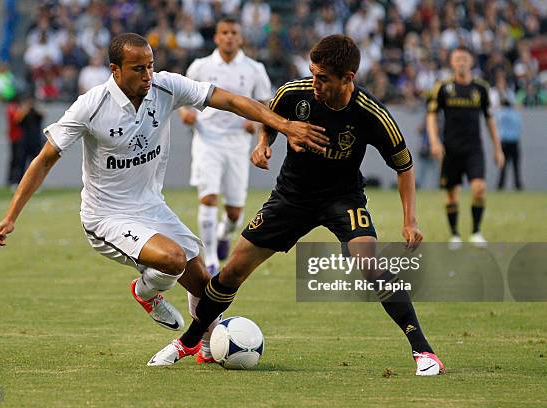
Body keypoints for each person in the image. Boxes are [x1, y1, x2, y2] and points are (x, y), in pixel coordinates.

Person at [0, 33, 327, 360]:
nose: (148, 75)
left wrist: (282, 125)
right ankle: (145, 291)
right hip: (106, 215)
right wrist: (11, 216)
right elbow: (45, 158)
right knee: (173, 259)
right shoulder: (91, 107)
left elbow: (231, 100)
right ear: (115, 70)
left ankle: (209, 349)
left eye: (150, 65)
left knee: (205, 286)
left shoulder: (165, 86)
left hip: (152, 206)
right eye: (138, 69)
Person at [149, 35, 445, 376]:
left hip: (342, 199)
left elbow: (404, 166)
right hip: (291, 197)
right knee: (232, 272)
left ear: (348, 78)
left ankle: (423, 351)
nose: (314, 84)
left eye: (323, 78)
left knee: (370, 264)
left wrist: (411, 220)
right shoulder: (294, 93)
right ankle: (189, 341)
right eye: (312, 74)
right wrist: (263, 144)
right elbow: (270, 118)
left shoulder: (371, 114)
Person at [179, 17, 272, 274]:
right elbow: (182, 97)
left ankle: (224, 232)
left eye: (233, 32)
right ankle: (210, 260)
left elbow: (265, 106)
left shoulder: (255, 69)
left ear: (240, 37)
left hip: (237, 144)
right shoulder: (200, 66)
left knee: (234, 213)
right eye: (224, 32)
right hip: (207, 139)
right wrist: (185, 113)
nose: (229, 36)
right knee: (208, 198)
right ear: (216, 37)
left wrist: (254, 125)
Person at [426, 46, 504, 249]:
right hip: (450, 150)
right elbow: (432, 115)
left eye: (464, 59)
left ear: (471, 62)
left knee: (479, 188)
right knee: (452, 194)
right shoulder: (442, 87)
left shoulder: (481, 88)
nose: (461, 62)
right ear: (451, 63)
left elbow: (489, 119)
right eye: (457, 59)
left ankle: (476, 231)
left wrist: (498, 148)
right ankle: (454, 234)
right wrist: (434, 141)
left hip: (473, 149)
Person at [496, 99, 523, 190]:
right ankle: (518, 185)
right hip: (514, 142)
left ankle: (500, 185)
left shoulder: (501, 113)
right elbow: (520, 127)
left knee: (503, 167)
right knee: (516, 166)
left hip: (504, 143)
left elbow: (495, 120)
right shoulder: (516, 114)